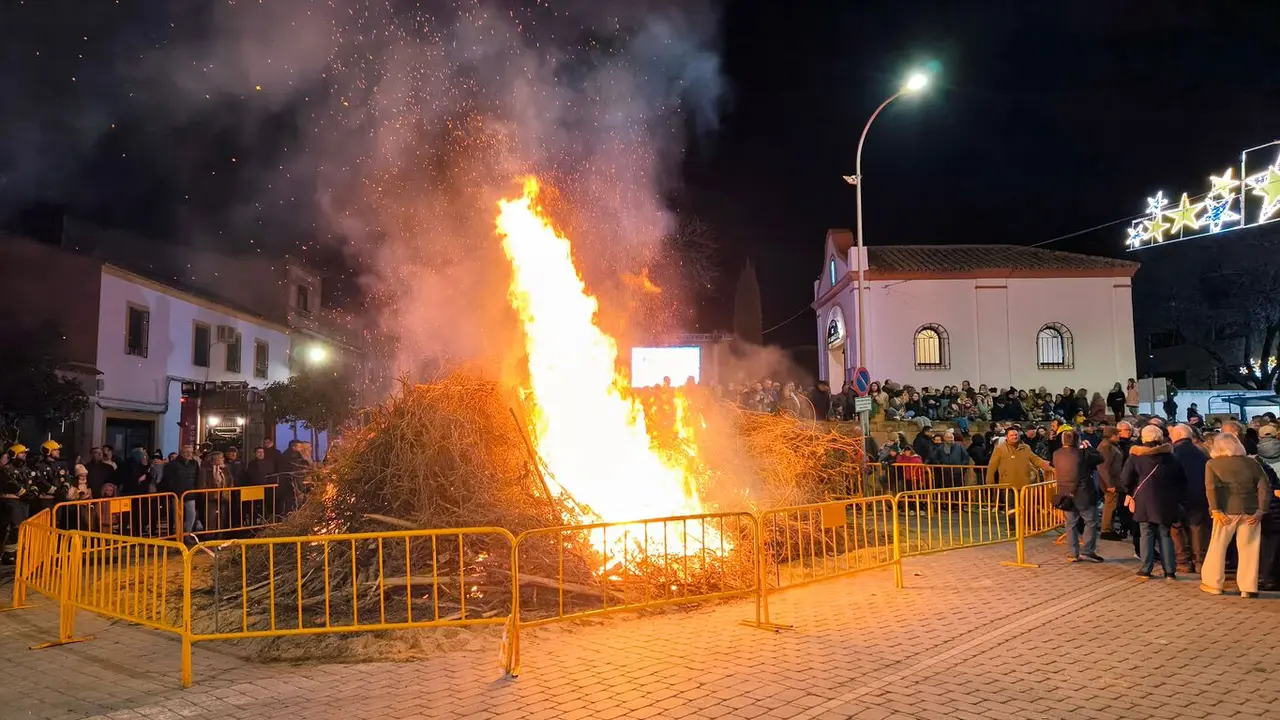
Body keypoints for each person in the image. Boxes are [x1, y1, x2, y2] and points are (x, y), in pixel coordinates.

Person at [1200, 432, 1271, 598]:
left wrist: (1215, 509)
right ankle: (1248, 587)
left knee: (1218, 547)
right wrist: (1261, 510)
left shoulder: (1212, 464)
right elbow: (1264, 487)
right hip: (1251, 510)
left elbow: (1210, 488)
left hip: (1226, 510)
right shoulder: (1252, 463)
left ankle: (1213, 584)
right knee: (1249, 549)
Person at [1120, 424, 1185, 580]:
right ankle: (1170, 570)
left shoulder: (1136, 457)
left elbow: (1125, 479)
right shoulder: (1172, 457)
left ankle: (1145, 569)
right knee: (1165, 534)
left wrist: (1130, 492)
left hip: (1143, 500)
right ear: (1160, 438)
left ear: (1143, 439)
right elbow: (1181, 480)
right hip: (1166, 501)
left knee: (1146, 534)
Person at [1053, 429, 1104, 563]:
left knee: (1070, 524)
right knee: (1091, 521)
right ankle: (1087, 551)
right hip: (1084, 493)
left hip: (1065, 494)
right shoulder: (1082, 453)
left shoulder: (1056, 454)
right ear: (1077, 440)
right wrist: (1089, 447)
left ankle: (1073, 553)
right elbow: (1100, 458)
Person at [1169, 424, 1210, 573]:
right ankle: (1200, 562)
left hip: (1177, 498)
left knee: (1177, 529)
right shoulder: (1201, 453)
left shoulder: (1172, 453)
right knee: (1197, 529)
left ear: (1178, 435)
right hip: (1199, 497)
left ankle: (1183, 561)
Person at [985, 426, 1051, 515]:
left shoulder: (1026, 448)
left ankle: (1026, 523)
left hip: (1024, 484)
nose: (1014, 437)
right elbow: (992, 465)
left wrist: (1049, 465)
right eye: (1012, 435)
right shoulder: (999, 449)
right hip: (1007, 485)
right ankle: (1012, 523)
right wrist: (989, 481)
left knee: (1026, 509)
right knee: (1011, 510)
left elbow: (1035, 459)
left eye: (1016, 435)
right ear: (1007, 437)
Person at [162, 445, 202, 540]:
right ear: (181, 453)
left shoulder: (194, 463)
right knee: (178, 517)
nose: (189, 454)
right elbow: (167, 478)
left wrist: (196, 491)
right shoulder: (173, 464)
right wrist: (172, 489)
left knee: (191, 515)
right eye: (187, 452)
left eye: (191, 452)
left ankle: (187, 534)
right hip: (176, 494)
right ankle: (178, 536)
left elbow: (197, 477)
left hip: (190, 493)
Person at [1097, 426, 1125, 539]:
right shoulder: (1105, 447)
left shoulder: (1110, 445)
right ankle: (1106, 530)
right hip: (1110, 482)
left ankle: (1110, 528)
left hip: (1114, 480)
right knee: (1110, 506)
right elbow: (1103, 468)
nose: (1119, 436)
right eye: (1117, 434)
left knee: (1112, 506)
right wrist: (1109, 484)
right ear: (1111, 435)